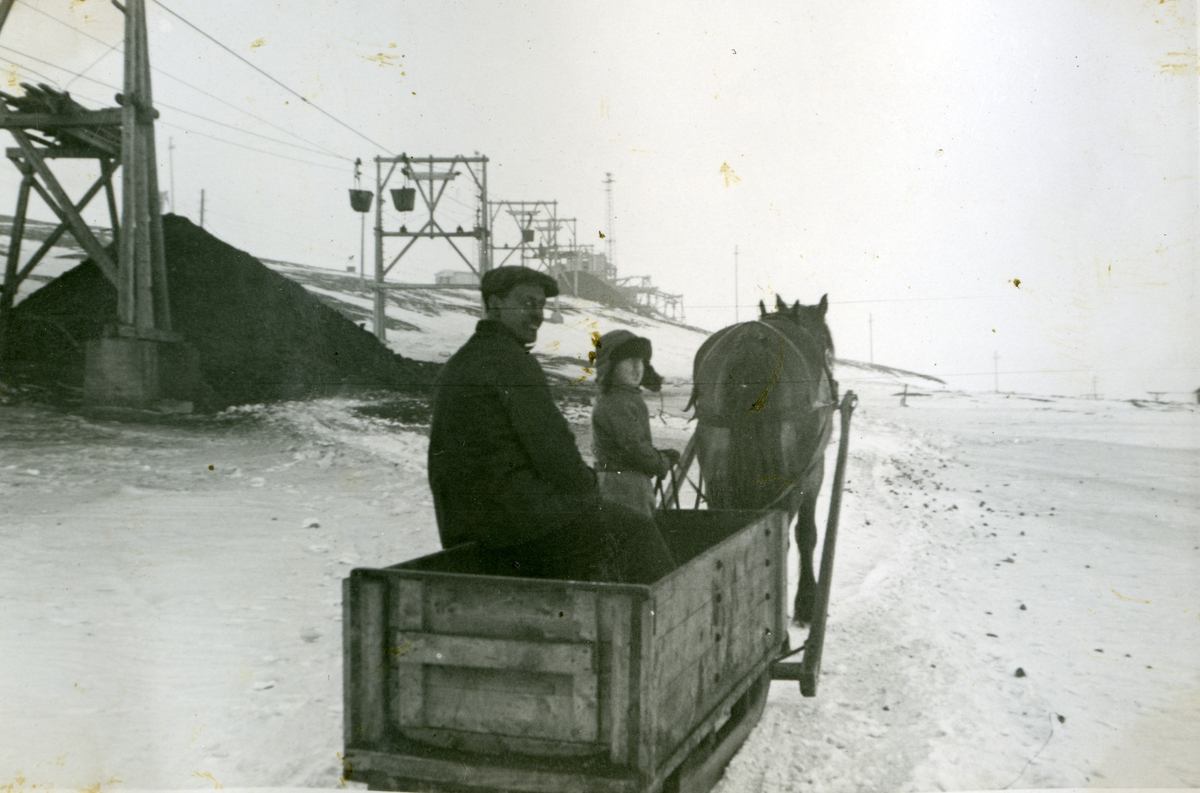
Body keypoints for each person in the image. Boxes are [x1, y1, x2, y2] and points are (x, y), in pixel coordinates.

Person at [426, 266, 676, 584]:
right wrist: (591, 493)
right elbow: (556, 455)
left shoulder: (460, 363)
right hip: (517, 530)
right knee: (637, 530)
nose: (538, 314)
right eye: (527, 302)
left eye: (541, 305)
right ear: (496, 303)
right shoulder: (512, 362)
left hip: (464, 529)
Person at [591, 330, 681, 517]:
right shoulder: (616, 402)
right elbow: (634, 447)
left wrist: (658, 456)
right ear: (611, 366)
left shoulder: (625, 398)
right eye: (629, 361)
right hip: (623, 486)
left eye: (639, 361)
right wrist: (661, 462)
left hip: (628, 482)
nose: (636, 368)